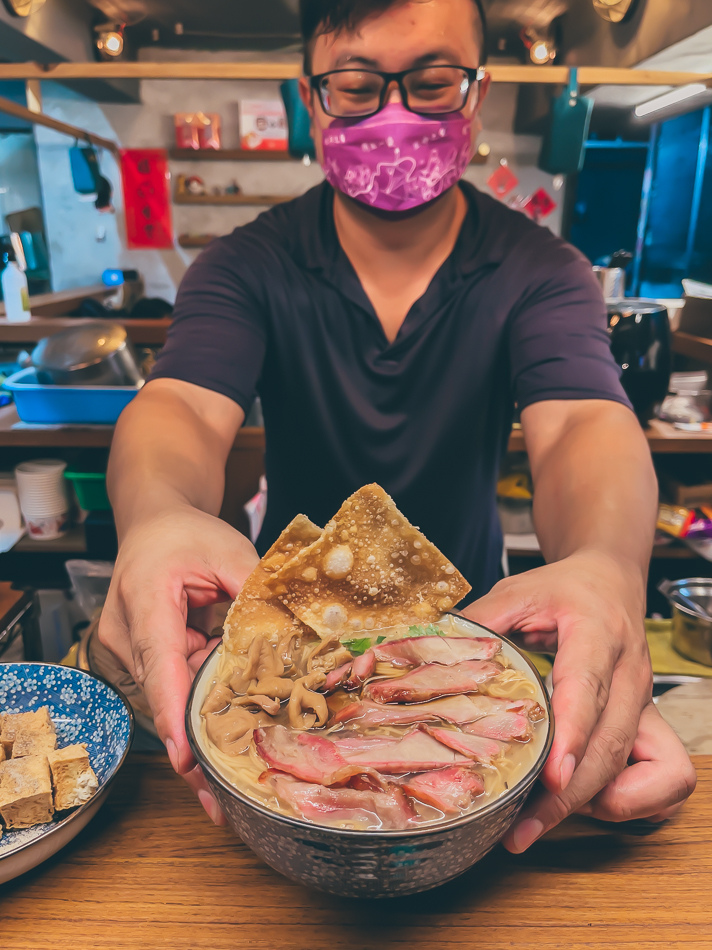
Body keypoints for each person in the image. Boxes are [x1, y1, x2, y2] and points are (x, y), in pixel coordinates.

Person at [99, 0, 696, 850]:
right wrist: (157, 517)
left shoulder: (540, 270)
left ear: (476, 94)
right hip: (292, 651)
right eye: (355, 85)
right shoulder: (245, 263)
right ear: (313, 100)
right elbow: (183, 405)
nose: (393, 114)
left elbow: (581, 429)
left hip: (475, 629)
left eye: (430, 82)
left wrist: (605, 565)